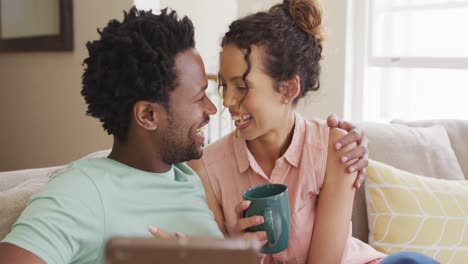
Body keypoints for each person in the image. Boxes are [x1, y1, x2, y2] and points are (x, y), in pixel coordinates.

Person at [0, 6, 369, 264]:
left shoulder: (188, 180)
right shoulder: (82, 191)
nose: (215, 109)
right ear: (147, 115)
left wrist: (239, 254)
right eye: (200, 97)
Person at [182, 1, 440, 264]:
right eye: (225, 85)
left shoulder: (335, 148)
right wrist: (237, 251)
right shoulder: (207, 168)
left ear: (288, 89)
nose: (226, 101)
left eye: (242, 86)